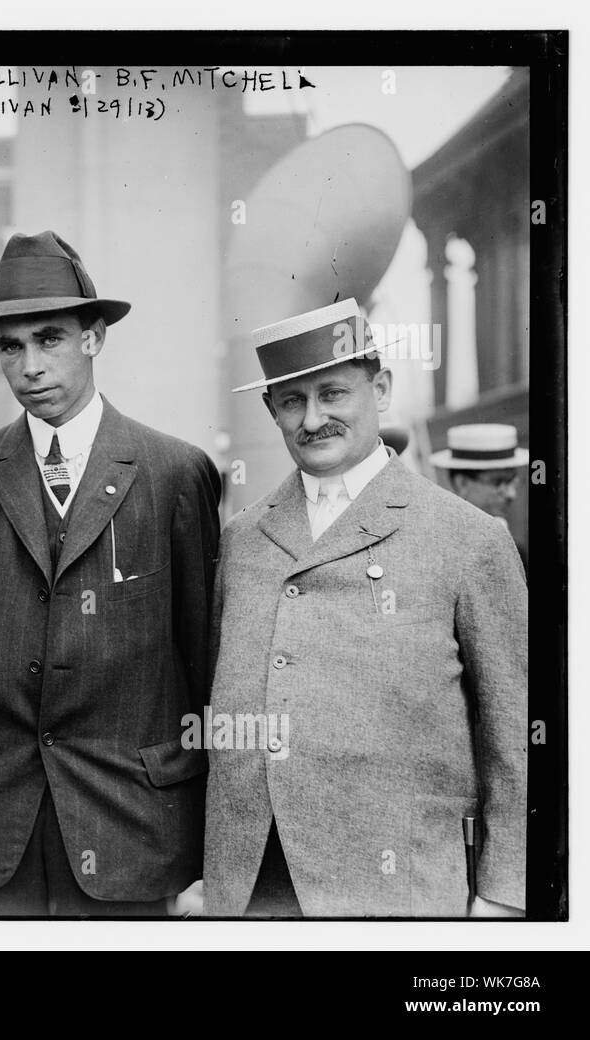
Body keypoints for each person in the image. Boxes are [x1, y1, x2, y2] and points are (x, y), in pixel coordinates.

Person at [203, 299, 527, 917]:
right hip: (248, 892)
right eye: (291, 401)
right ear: (271, 410)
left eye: (332, 393)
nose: (313, 418)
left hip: (396, 893)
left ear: (379, 388)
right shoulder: (243, 540)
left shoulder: (468, 538)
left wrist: (502, 895)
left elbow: (515, 733)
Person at [0, 231, 220, 916]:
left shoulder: (174, 473)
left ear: (94, 338)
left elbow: (204, 662)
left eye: (50, 338)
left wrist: (210, 841)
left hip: (133, 827)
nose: (30, 365)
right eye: (10, 346)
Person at [430, 423, 529, 573]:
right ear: (462, 483)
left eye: (513, 482)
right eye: (498, 482)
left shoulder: (516, 550)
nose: (511, 494)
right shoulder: (437, 550)